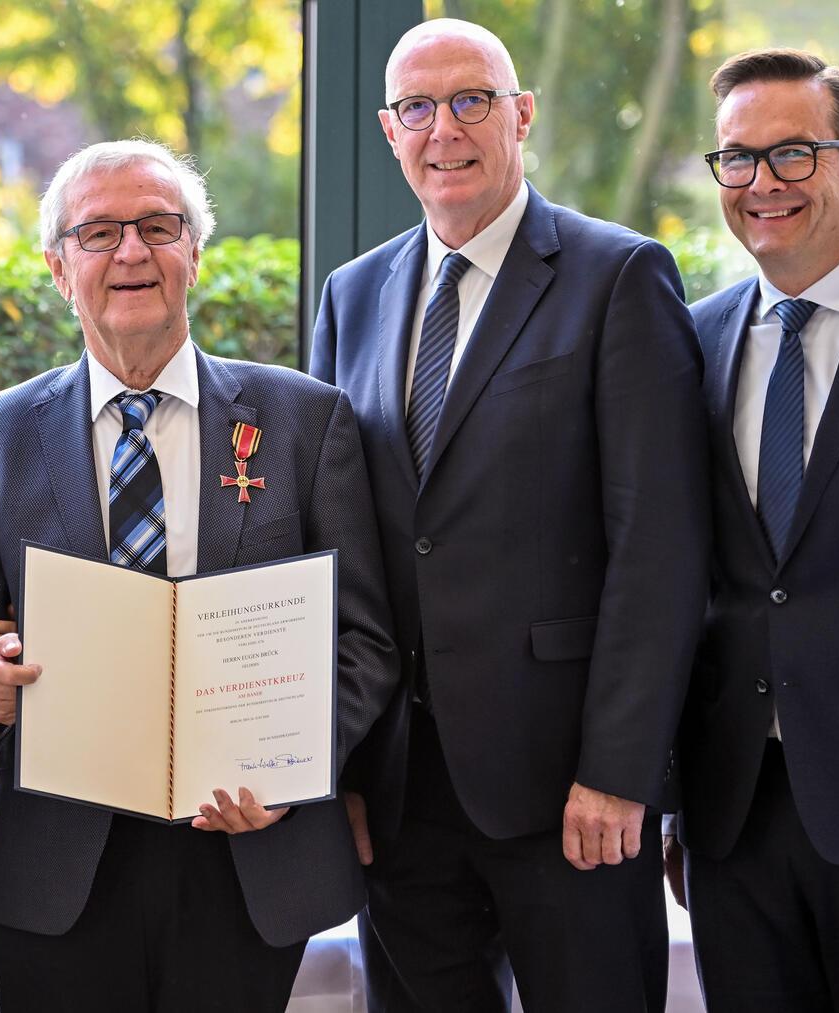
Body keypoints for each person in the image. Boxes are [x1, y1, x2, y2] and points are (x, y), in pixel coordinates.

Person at [0, 139, 398, 1012]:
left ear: (196, 252)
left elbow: (365, 639)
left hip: (245, 852)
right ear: (56, 266)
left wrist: (295, 769)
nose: (130, 252)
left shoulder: (305, 421)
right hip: (54, 861)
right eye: (99, 232)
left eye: (158, 226)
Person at [309, 19, 710, 1013]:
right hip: (400, 791)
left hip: (567, 789)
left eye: (471, 99)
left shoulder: (618, 276)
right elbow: (333, 546)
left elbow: (659, 547)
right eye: (418, 107)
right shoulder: (350, 295)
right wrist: (337, 768)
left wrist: (621, 770)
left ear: (520, 113)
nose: (445, 128)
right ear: (388, 130)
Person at [668, 48, 839, 1012]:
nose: (760, 185)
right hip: (732, 808)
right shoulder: (689, 340)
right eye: (736, 160)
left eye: (794, 153)